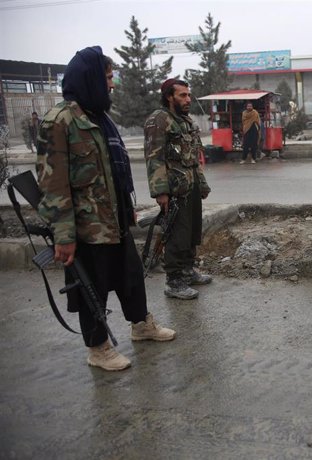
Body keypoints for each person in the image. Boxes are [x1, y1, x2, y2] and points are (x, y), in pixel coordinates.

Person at [35, 46, 175, 372]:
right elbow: (53, 187)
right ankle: (98, 348)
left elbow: (113, 172)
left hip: (113, 219)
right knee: (91, 290)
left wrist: (127, 210)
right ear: (90, 79)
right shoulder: (60, 122)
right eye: (108, 78)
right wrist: (64, 236)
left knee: (131, 277)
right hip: (86, 228)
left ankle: (141, 325)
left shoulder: (100, 118)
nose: (112, 85)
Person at [145, 79, 212, 300]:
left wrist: (201, 183)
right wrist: (161, 192)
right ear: (169, 97)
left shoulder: (186, 122)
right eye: (182, 95)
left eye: (188, 95)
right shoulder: (159, 120)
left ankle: (187, 271)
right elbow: (154, 159)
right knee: (176, 235)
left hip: (190, 186)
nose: (188, 100)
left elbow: (193, 158)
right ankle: (173, 281)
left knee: (192, 231)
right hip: (174, 190)